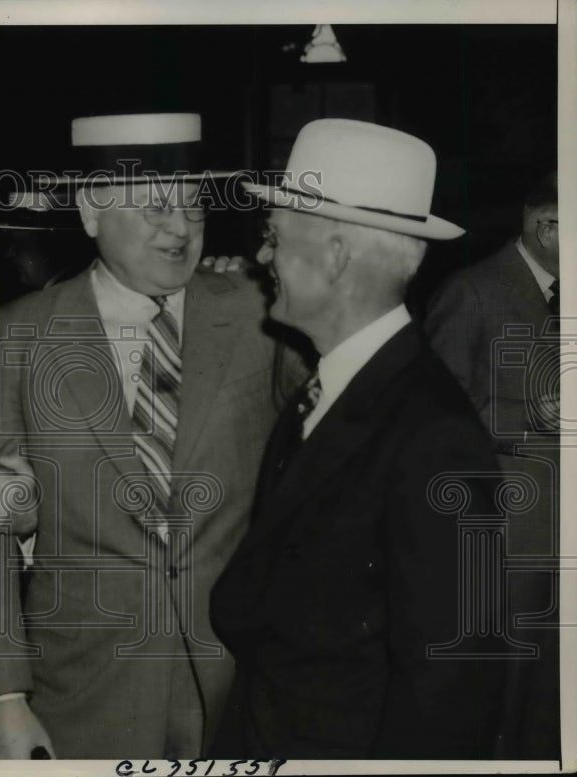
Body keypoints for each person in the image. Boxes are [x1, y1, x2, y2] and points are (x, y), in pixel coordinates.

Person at [0, 113, 301, 759]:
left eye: (194, 206)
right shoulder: (21, 333)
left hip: (242, 684)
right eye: (153, 207)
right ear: (91, 211)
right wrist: (4, 698)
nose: (180, 227)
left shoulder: (260, 310)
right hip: (82, 691)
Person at [210, 119, 506, 758]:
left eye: (274, 239)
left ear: (337, 254)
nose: (264, 258)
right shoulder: (322, 395)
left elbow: (452, 686)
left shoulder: (435, 434)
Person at [424, 171, 560, 759]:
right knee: (505, 686)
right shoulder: (471, 290)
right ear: (543, 226)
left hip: (563, 524)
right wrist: (529, 416)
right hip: (509, 530)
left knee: (554, 694)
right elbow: (430, 419)